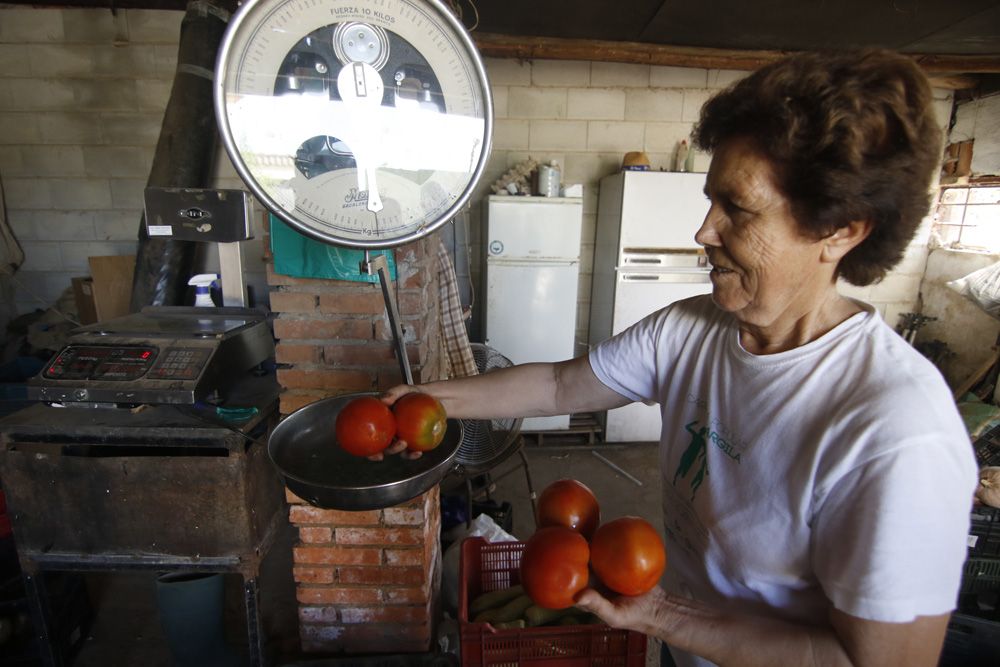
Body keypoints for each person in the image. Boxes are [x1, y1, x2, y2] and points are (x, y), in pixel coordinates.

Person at [382, 49, 977, 667]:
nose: (704, 232)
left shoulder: (899, 432)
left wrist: (663, 615)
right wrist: (429, 401)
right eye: (710, 201)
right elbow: (560, 387)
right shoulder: (694, 328)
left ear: (841, 230)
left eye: (738, 209)